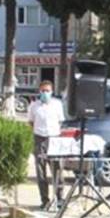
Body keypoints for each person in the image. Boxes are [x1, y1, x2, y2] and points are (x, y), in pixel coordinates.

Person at [27, 80, 65, 210]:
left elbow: (60, 121)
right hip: (39, 138)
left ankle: (59, 198)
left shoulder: (57, 104)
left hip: (54, 138)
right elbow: (31, 122)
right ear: (39, 91)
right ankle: (45, 200)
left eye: (47, 91)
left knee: (57, 169)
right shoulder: (34, 106)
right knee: (40, 171)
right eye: (43, 91)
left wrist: (54, 134)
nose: (45, 93)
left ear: (52, 91)